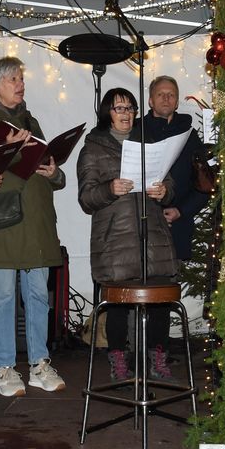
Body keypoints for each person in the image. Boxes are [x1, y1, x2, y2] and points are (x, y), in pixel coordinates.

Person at [0, 56, 66, 398]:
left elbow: (49, 166)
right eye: (13, 80)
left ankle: (40, 363)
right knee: (3, 296)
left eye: (21, 79)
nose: (21, 84)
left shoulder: (29, 119)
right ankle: (4, 368)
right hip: (2, 221)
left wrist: (55, 173)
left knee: (38, 293)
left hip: (35, 221)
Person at [77, 87, 176, 380]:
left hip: (153, 236)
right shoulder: (93, 148)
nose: (126, 114)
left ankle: (158, 359)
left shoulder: (149, 143)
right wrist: (109, 189)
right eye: (119, 108)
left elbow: (170, 184)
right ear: (107, 112)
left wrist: (164, 191)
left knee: (158, 303)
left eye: (130, 108)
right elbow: (86, 198)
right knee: (118, 305)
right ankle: (119, 361)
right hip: (115, 240)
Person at [141, 76, 209, 262]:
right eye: (160, 94)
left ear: (177, 102)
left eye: (171, 95)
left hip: (177, 224)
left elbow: (204, 183)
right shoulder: (136, 131)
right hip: (140, 226)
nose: (166, 98)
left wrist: (181, 210)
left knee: (170, 288)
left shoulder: (189, 135)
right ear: (150, 100)